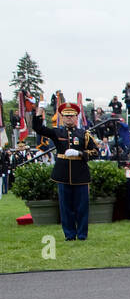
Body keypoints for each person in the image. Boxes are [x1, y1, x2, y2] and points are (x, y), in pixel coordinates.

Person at [32, 103, 99, 241]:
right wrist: (40, 109)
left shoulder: (84, 134)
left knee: (82, 208)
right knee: (65, 208)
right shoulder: (57, 132)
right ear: (62, 118)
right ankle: (69, 235)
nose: (69, 118)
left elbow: (95, 152)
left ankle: (82, 235)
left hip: (80, 175)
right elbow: (38, 128)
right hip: (62, 175)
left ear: (76, 117)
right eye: (66, 116)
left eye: (71, 116)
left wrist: (80, 153)